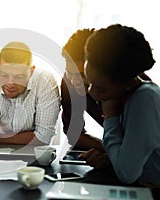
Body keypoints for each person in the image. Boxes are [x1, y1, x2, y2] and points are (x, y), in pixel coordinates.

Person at [61, 28, 150, 169]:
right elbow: (74, 133)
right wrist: (111, 150)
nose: (73, 81)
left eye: (81, 75)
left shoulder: (135, 86)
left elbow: (144, 144)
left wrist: (116, 155)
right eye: (69, 72)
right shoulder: (69, 83)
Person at [84, 24, 160, 185]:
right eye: (89, 83)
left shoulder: (144, 99)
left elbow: (127, 173)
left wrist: (110, 117)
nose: (91, 92)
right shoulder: (130, 96)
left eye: (101, 89)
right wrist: (111, 159)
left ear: (127, 82)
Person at [0, 42, 60, 164]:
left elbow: (43, 137)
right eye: (4, 75)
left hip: (34, 160)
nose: (10, 83)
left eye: (19, 77)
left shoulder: (45, 81)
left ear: (31, 71)